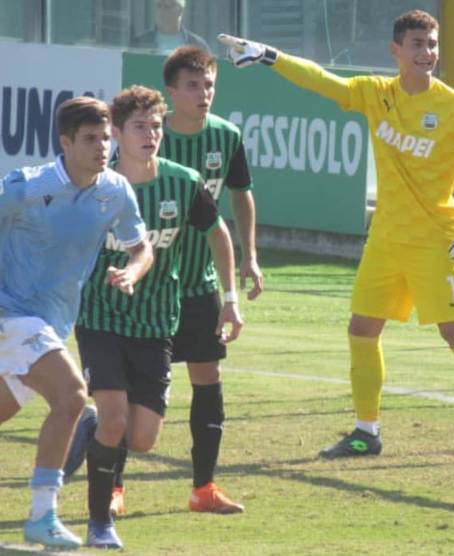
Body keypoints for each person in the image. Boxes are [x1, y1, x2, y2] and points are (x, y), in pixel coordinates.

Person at [219, 9, 454, 465]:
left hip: (435, 242)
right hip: (385, 242)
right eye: (416, 44)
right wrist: (270, 55)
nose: (426, 53)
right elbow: (320, 79)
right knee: (361, 330)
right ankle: (366, 432)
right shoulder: (374, 93)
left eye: (431, 44)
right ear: (396, 51)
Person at [64, 46, 259, 515]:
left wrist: (232, 294)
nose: (203, 92)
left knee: (155, 423)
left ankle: (203, 487)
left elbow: (224, 225)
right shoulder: (99, 183)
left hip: (176, 299)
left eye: (209, 83)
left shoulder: (194, 168)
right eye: (193, 84)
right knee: (117, 411)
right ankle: (109, 495)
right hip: (106, 312)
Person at [0, 96, 151, 549]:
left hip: (51, 323)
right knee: (71, 397)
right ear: (65, 142)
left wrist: (131, 271)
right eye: (89, 139)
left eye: (106, 138)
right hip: (10, 312)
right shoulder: (27, 186)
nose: (101, 147)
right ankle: (43, 516)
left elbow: (141, 247)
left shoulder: (116, 190)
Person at [132, 0, 210, 54]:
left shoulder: (198, 45)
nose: (161, 11)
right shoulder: (140, 42)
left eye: (167, 6)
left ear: (180, 10)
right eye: (159, 6)